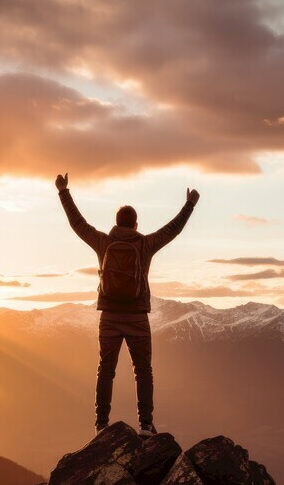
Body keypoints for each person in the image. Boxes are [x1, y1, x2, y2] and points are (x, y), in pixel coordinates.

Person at [55, 172, 199, 436]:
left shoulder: (103, 242)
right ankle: (145, 425)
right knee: (143, 370)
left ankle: (101, 424)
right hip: (137, 318)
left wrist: (63, 192)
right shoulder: (145, 244)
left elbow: (78, 224)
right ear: (136, 224)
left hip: (108, 317)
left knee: (105, 370)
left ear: (116, 223)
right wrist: (190, 204)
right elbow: (172, 229)